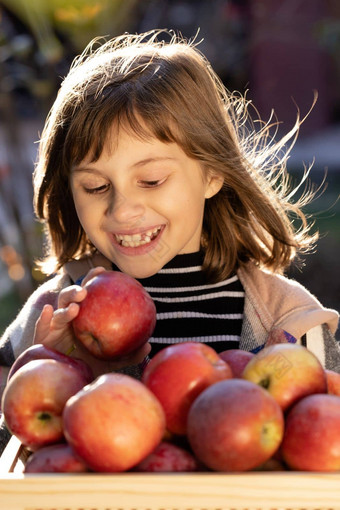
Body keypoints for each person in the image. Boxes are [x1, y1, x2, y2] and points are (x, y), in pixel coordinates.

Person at [0, 30, 339, 436]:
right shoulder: (60, 310)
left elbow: (322, 447)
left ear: (213, 173)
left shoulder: (286, 318)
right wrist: (52, 367)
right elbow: (13, 450)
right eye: (95, 187)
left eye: (152, 180)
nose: (122, 209)